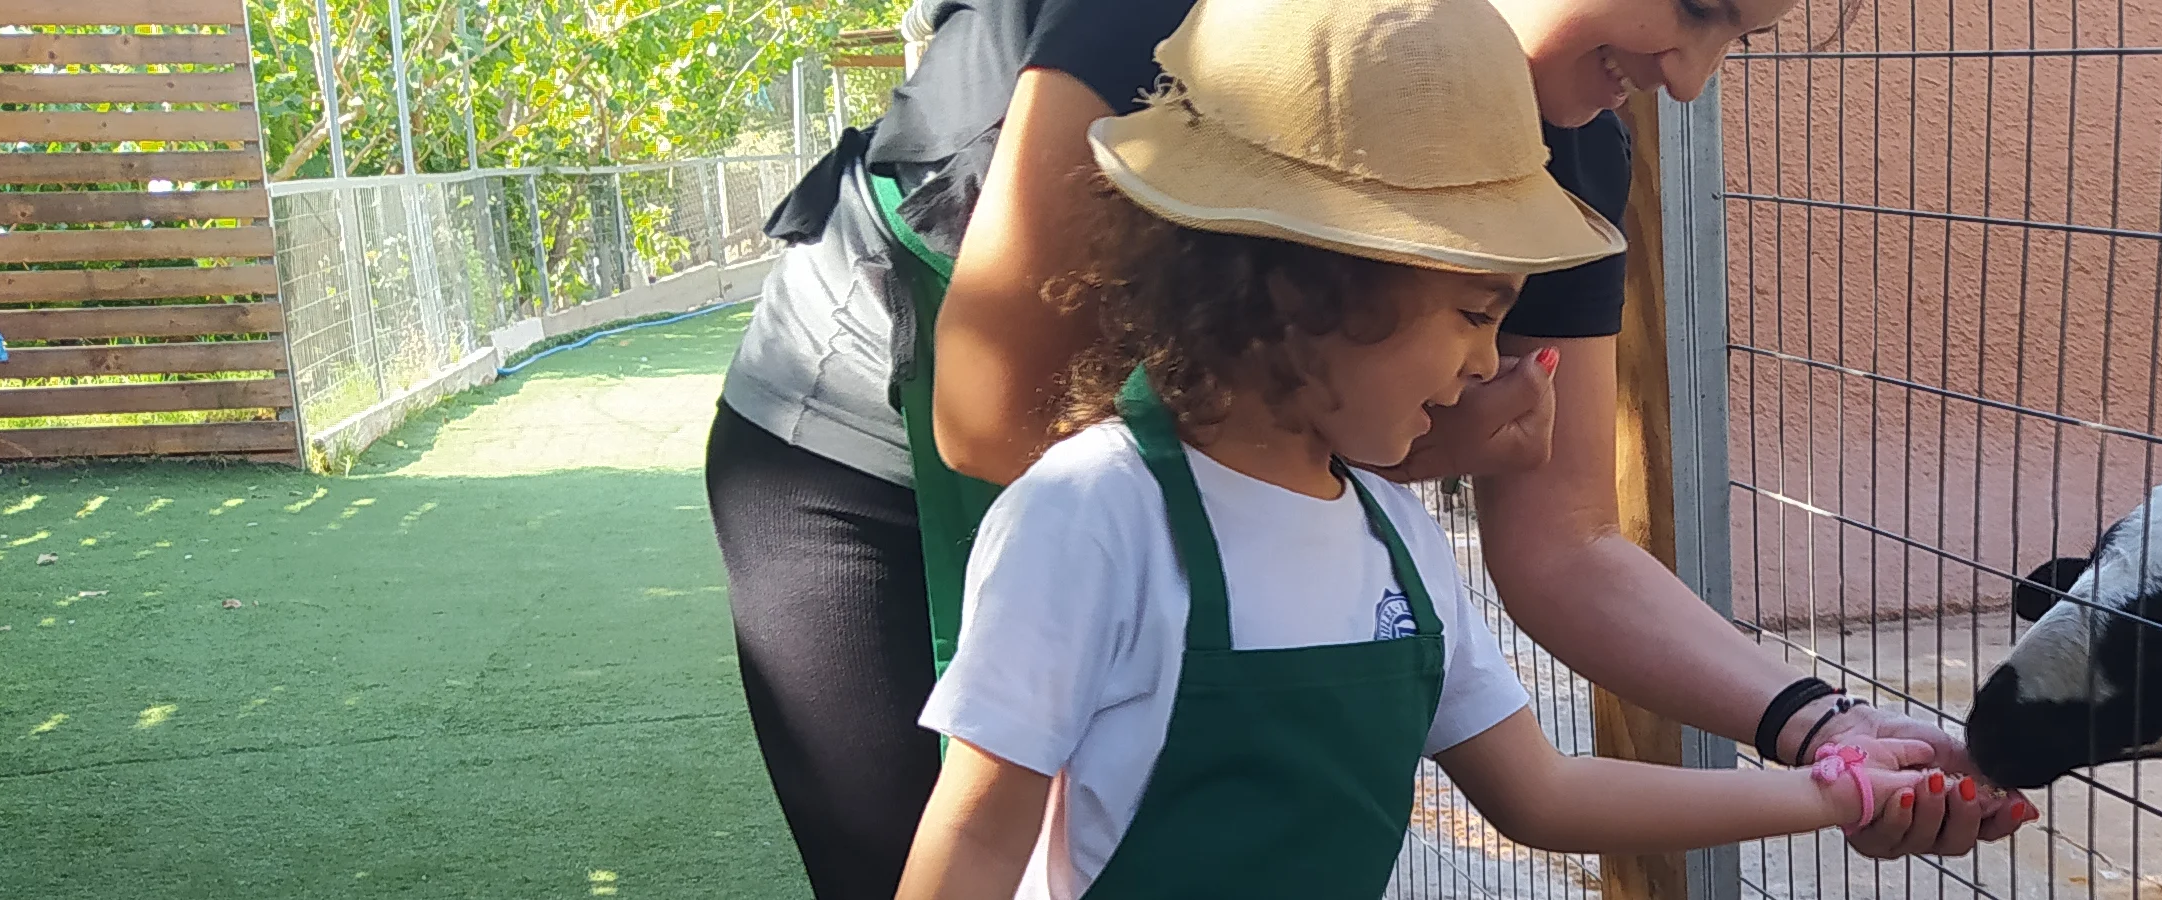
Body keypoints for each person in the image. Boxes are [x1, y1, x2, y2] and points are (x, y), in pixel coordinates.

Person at [710, 0, 2030, 894]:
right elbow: (995, 417)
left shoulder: (1396, 499)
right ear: (1305, 286)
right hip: (869, 430)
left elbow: (1556, 578)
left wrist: (1828, 752)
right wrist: (1385, 438)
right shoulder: (1096, 514)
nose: (1695, 76)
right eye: (1697, 5)